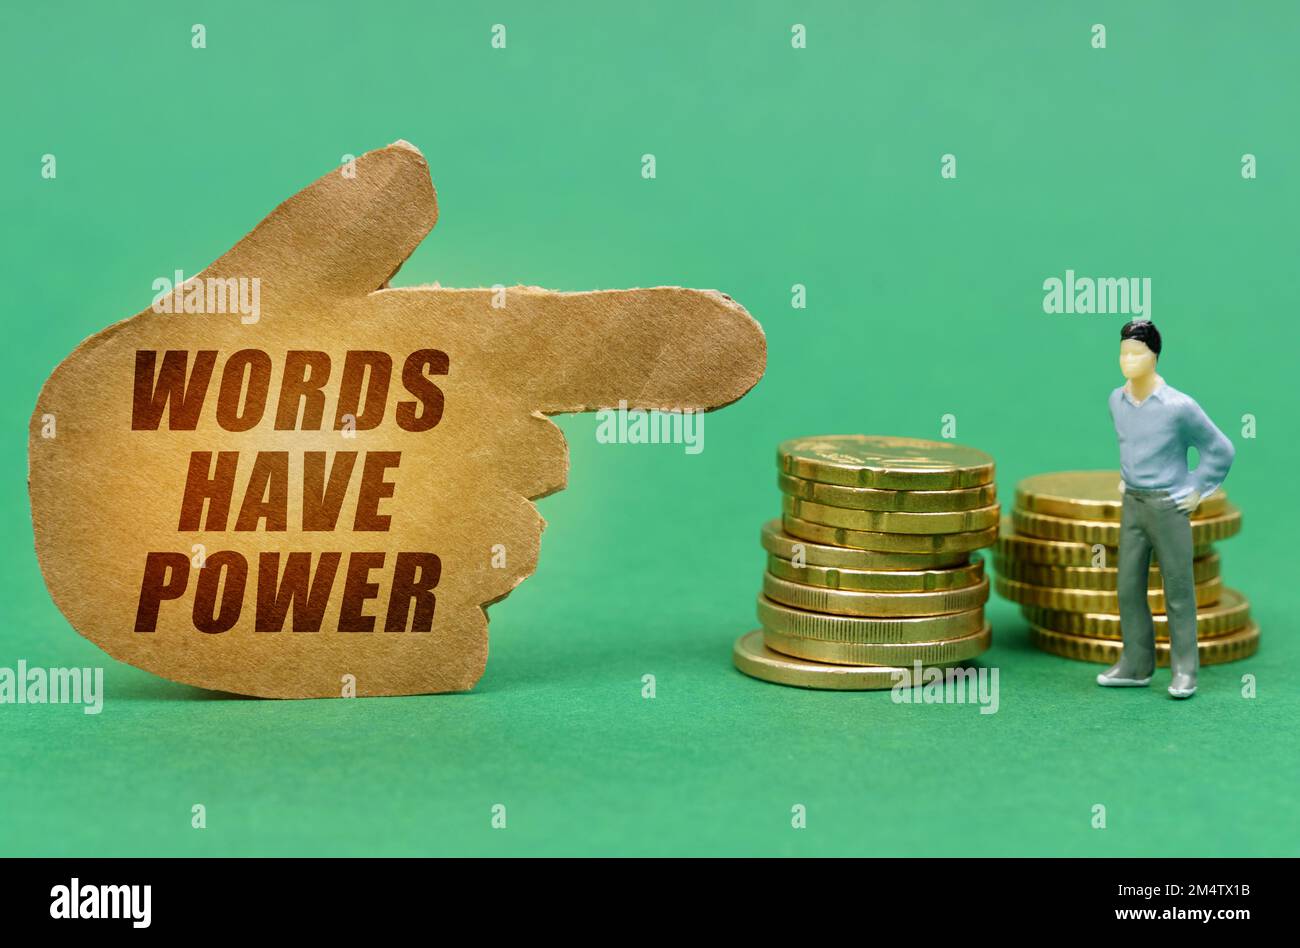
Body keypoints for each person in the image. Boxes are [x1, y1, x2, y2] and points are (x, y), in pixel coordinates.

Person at [1098, 319, 1235, 699]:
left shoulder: (1178, 406)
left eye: (1136, 353)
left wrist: (1196, 488)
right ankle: (1137, 663)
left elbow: (1220, 449)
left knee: (1177, 590)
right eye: (1123, 352)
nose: (1127, 360)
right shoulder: (1116, 400)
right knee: (1128, 587)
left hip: (1168, 505)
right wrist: (1128, 477)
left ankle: (1185, 670)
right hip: (1133, 504)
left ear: (1154, 356)